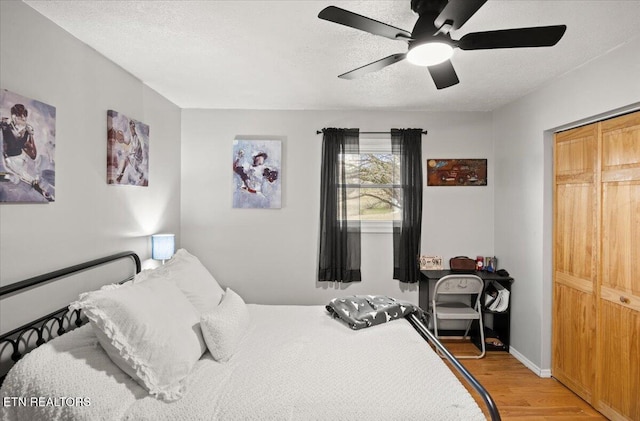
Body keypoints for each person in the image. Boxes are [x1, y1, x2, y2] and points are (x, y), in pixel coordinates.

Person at [1, 103, 53, 201]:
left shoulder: (26, 131)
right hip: (9, 160)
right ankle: (37, 186)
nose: (23, 120)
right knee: (21, 176)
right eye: (20, 117)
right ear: (13, 116)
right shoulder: (5, 124)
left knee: (31, 174)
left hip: (22, 159)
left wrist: (31, 135)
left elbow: (33, 155)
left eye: (24, 117)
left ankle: (38, 187)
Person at [115, 119, 145, 185]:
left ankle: (120, 175)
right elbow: (127, 143)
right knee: (126, 157)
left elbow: (136, 149)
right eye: (130, 128)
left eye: (132, 128)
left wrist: (129, 153)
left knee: (126, 158)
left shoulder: (136, 138)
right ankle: (121, 175)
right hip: (134, 157)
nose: (131, 130)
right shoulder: (132, 137)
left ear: (133, 128)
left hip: (138, 158)